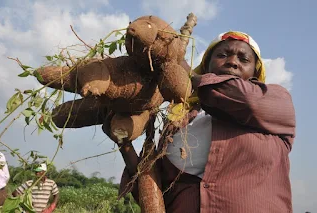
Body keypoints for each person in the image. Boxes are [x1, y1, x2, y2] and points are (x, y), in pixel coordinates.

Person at [113, 31, 296, 213]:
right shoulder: (178, 119)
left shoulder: (275, 99)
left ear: (256, 71)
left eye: (243, 59)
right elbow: (151, 188)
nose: (232, 61)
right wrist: (124, 141)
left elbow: (248, 100)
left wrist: (183, 73)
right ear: (206, 65)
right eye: (222, 55)